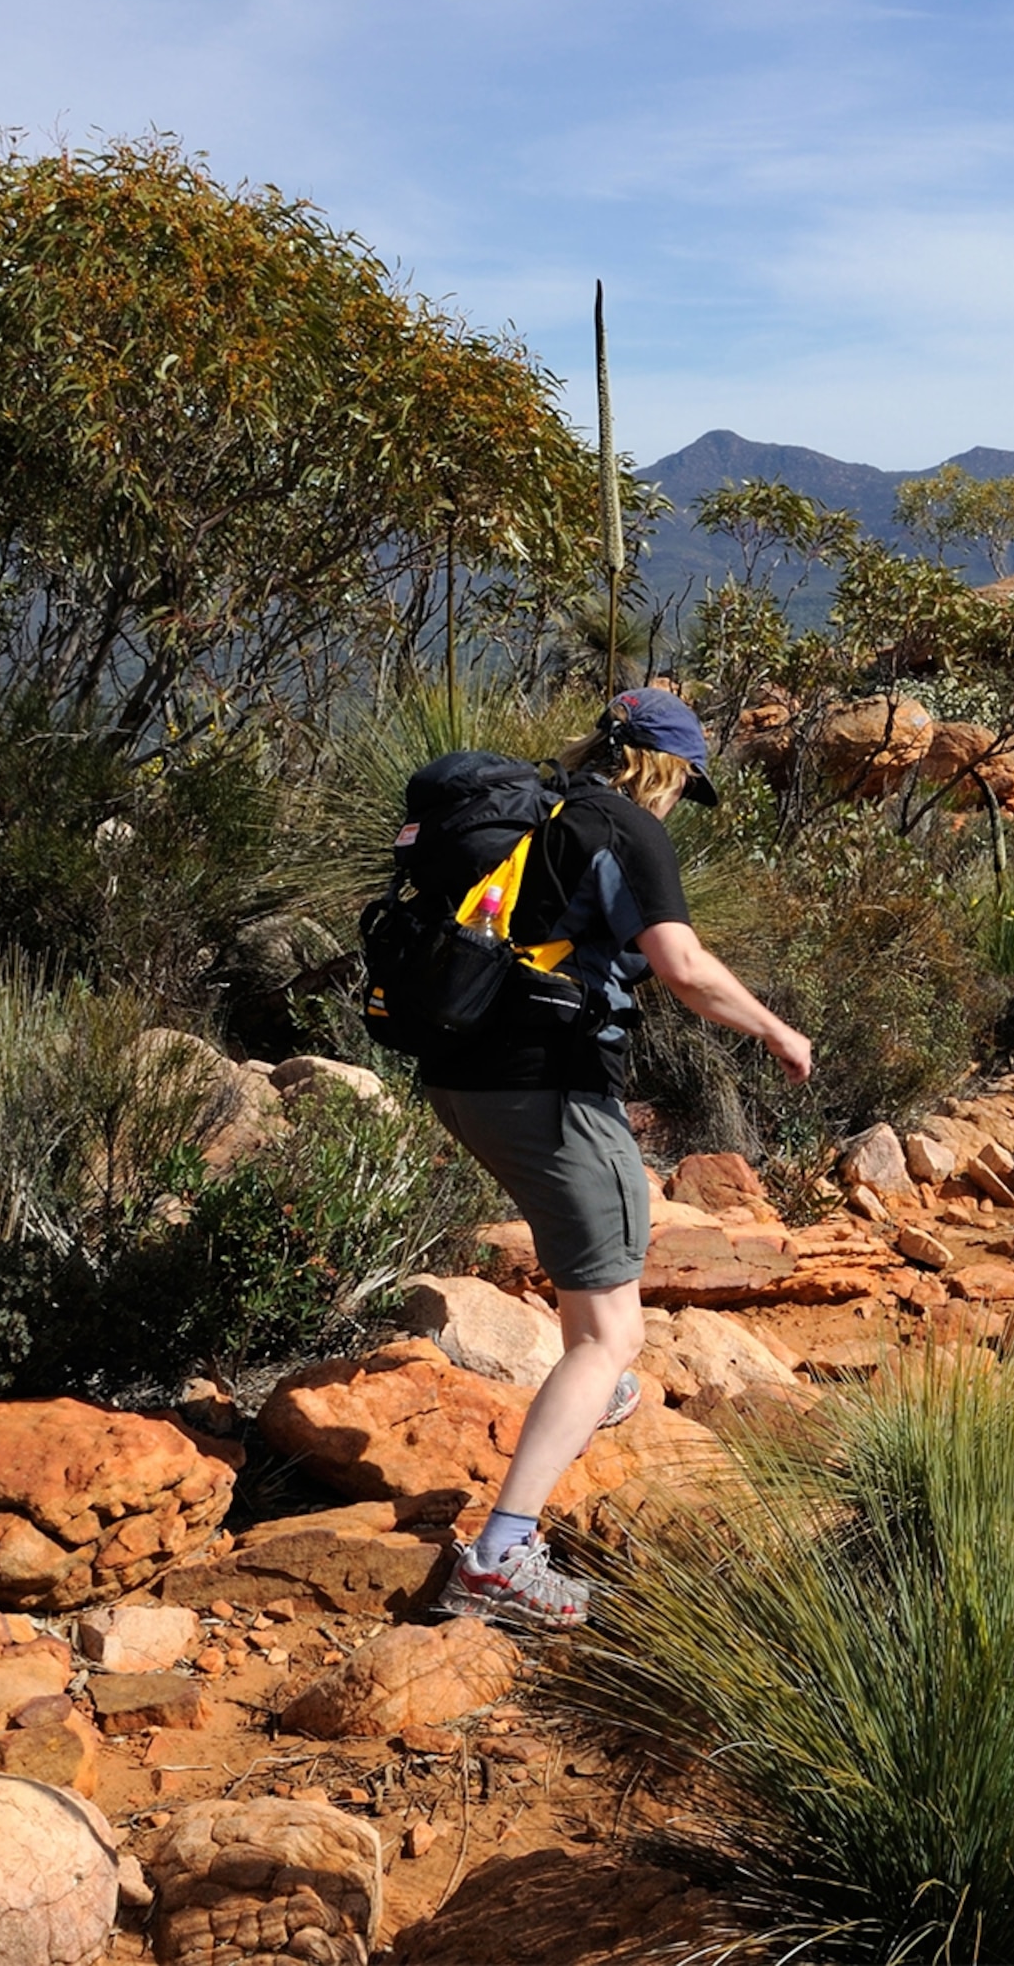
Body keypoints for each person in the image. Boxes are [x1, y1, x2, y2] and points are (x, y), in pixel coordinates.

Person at [422, 686, 812, 1630]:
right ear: (665, 769)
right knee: (611, 1332)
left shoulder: (529, 814)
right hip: (544, 1085)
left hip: (457, 1076)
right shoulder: (625, 826)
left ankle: (591, 1392)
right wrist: (773, 1029)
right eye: (685, 782)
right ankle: (499, 1554)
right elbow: (681, 966)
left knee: (595, 1243)